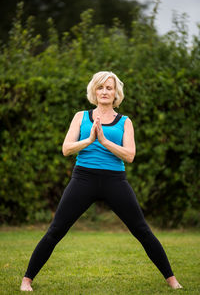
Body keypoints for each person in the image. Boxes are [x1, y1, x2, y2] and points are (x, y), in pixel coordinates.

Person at [20, 71, 182, 291]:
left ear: (116, 93)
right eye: (100, 87)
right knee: (56, 229)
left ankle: (172, 280)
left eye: (109, 88)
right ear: (93, 91)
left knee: (142, 230)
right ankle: (27, 280)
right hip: (83, 178)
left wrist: (104, 141)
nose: (105, 91)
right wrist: (89, 140)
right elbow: (66, 149)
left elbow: (130, 155)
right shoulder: (80, 116)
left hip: (115, 180)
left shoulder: (125, 121)